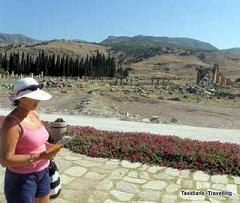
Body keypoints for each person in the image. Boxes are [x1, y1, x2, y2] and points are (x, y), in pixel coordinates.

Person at [0, 77, 61, 203]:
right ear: (21, 98)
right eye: (34, 97)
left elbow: (36, 139)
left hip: (43, 172)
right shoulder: (12, 123)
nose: (38, 100)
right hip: (22, 179)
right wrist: (41, 155)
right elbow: (5, 160)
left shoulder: (34, 113)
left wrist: (47, 145)